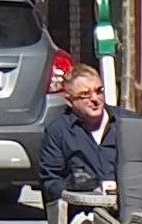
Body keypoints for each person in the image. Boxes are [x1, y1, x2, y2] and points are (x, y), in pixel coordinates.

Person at [35, 64, 122, 201]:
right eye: (85, 95)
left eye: (99, 91)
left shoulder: (126, 124)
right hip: (82, 209)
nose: (95, 99)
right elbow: (51, 182)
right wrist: (75, 189)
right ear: (70, 101)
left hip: (126, 207)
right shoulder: (58, 132)